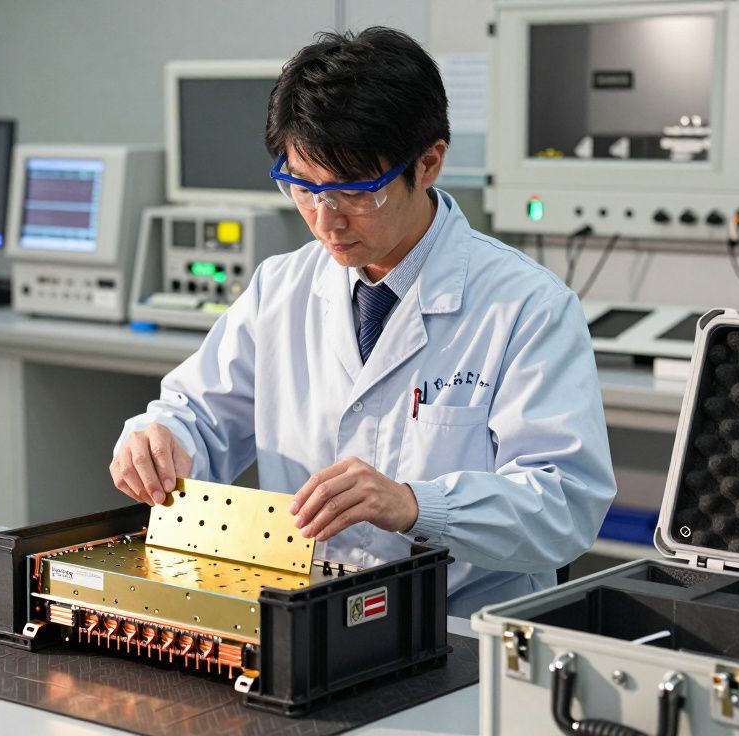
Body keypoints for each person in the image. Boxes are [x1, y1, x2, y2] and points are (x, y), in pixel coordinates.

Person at [111, 27, 615, 616]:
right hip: (305, 611)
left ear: (429, 163)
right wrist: (160, 439)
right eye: (302, 186)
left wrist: (415, 505)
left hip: (458, 624)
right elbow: (199, 416)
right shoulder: (281, 288)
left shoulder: (527, 305)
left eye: (353, 191)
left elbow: (565, 505)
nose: (326, 221)